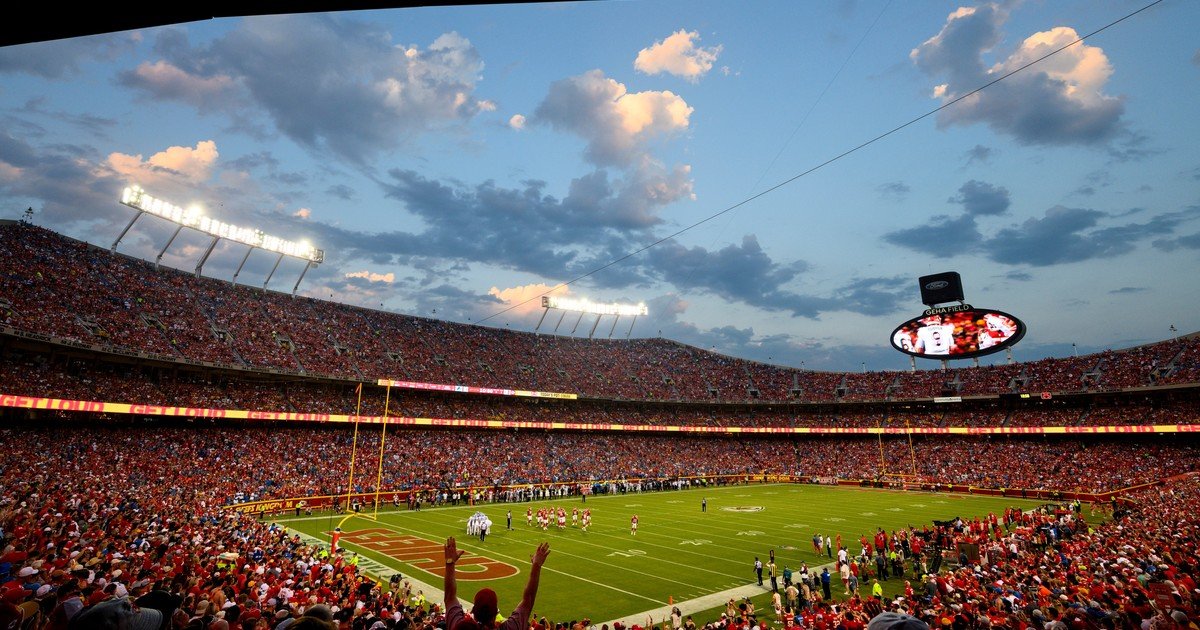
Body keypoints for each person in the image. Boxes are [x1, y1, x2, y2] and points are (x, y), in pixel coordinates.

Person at [444, 537, 549, 630]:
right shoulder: (510, 627)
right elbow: (528, 601)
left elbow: (449, 597)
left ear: (474, 613)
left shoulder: (460, 627)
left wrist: (450, 562)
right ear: (495, 614)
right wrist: (536, 565)